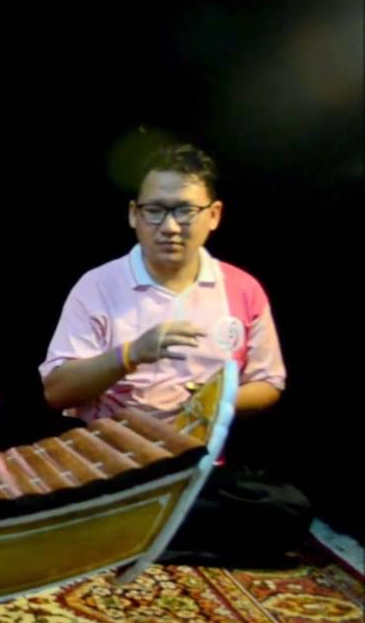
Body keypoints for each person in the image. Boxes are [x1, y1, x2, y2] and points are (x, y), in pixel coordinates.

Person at [39, 143, 310, 566]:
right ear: (134, 215)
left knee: (287, 510)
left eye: (185, 211)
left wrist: (215, 399)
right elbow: (57, 392)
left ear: (213, 215)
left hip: (197, 474)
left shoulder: (242, 289)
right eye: (155, 211)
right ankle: (139, 535)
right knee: (54, 494)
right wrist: (131, 353)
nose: (170, 226)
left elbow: (269, 383)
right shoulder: (97, 286)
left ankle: (126, 541)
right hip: (109, 468)